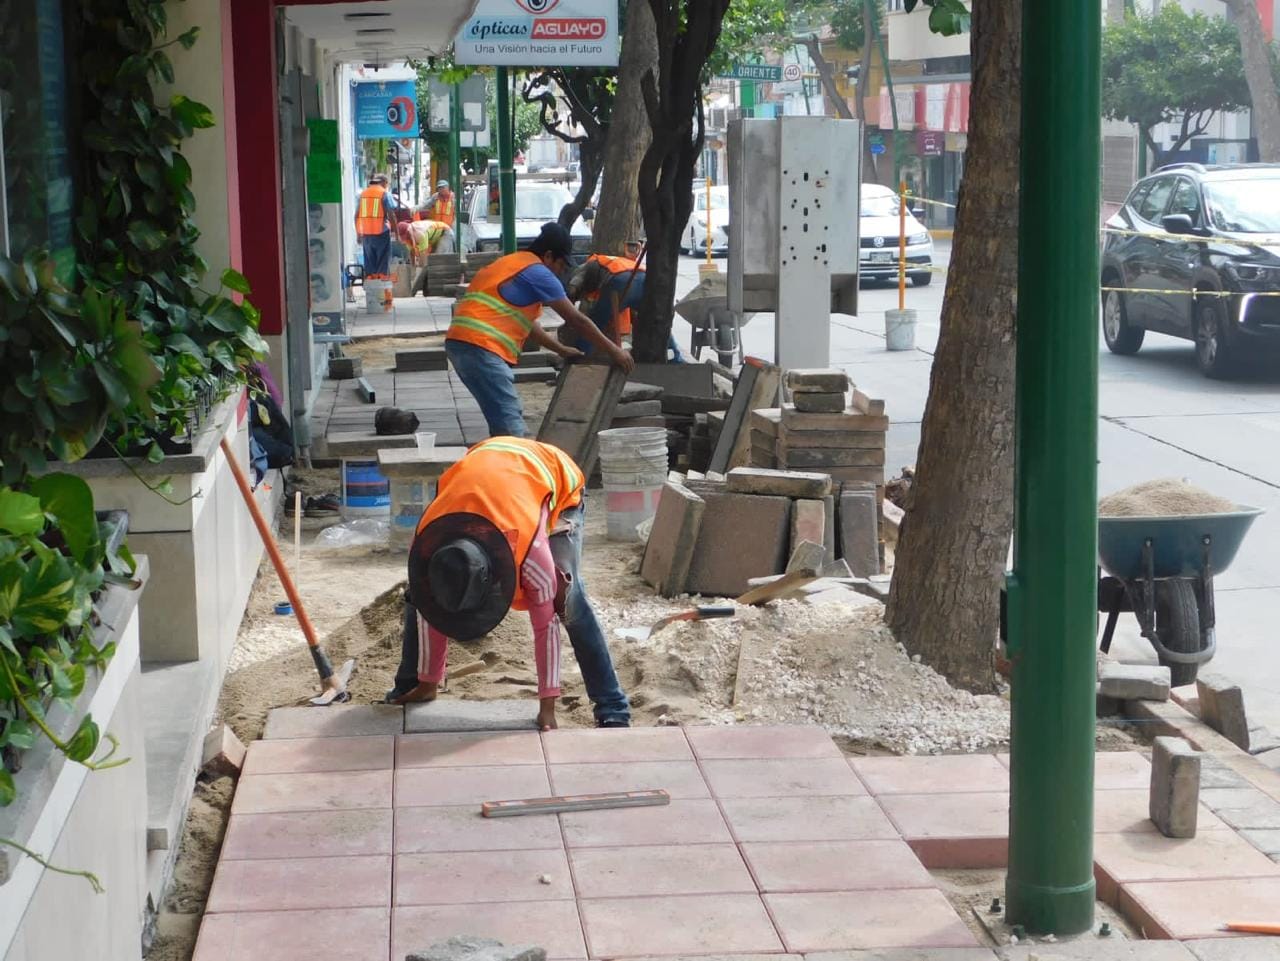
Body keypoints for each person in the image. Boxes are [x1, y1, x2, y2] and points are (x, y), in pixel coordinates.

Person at [386, 436, 631, 731]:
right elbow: (429, 609)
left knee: (566, 597)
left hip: (553, 476)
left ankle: (612, 705)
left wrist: (547, 707)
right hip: (486, 461)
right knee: (421, 595)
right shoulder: (426, 547)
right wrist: (429, 682)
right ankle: (412, 684)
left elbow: (546, 628)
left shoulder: (529, 556)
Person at [446, 221, 635, 438]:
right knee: (510, 422)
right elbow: (576, 319)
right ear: (548, 256)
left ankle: (500, 462)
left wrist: (561, 349)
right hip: (481, 347)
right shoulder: (537, 273)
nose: (561, 271)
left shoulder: (509, 264)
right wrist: (615, 351)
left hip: (460, 343)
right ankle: (519, 466)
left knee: (500, 416)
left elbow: (528, 325)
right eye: (561, 264)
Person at [566, 250, 687, 363]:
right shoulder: (608, 261)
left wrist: (569, 306)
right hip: (644, 280)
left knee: (596, 322)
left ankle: (578, 355)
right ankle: (676, 357)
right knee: (655, 322)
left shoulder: (583, 268)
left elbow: (573, 287)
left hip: (621, 282)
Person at [397, 219, 457, 296]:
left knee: (437, 262)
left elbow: (423, 261)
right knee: (432, 264)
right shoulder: (408, 237)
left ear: (408, 232)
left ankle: (439, 290)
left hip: (445, 233)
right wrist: (413, 268)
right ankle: (430, 290)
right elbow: (411, 253)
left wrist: (417, 278)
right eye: (403, 238)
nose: (404, 239)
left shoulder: (420, 234)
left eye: (405, 237)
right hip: (435, 239)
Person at [355, 173, 396, 277]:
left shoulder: (363, 194)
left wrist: (358, 234)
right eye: (387, 183)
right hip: (381, 234)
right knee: (382, 263)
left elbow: (356, 216)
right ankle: (380, 290)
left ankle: (371, 291)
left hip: (366, 235)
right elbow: (391, 215)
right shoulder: (384, 194)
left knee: (369, 264)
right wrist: (396, 233)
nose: (387, 186)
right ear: (382, 182)